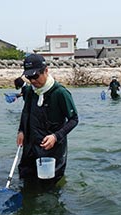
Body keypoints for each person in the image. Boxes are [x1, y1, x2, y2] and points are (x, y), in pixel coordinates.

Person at [16, 54, 79, 186]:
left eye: (35, 76)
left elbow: (74, 119)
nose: (32, 81)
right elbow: (25, 112)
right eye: (29, 77)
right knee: (26, 180)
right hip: (31, 145)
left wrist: (56, 136)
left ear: (46, 70)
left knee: (49, 187)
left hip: (52, 149)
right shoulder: (29, 91)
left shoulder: (60, 93)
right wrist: (21, 130)